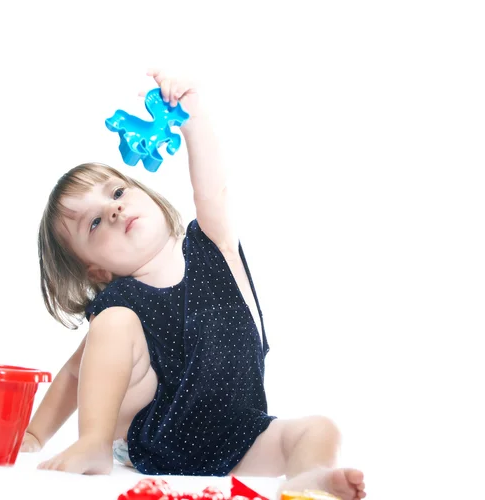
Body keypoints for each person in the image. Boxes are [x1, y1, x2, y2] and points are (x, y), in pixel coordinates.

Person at [22, 69, 366, 500]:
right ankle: (94, 443)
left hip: (240, 436)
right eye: (93, 223)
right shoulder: (119, 303)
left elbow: (213, 190)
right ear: (98, 272)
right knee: (113, 326)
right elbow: (76, 373)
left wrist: (193, 118)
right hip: (155, 433)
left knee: (320, 428)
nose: (113, 211)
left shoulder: (212, 245)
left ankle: (306, 480)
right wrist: (34, 435)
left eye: (115, 193)